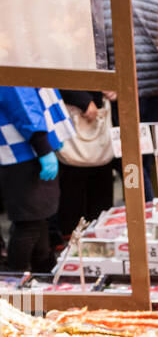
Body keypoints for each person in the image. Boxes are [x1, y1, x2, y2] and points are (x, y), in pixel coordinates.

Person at [95, 0, 158, 199]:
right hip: (154, 87)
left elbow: (96, 40)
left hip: (122, 89)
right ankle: (144, 215)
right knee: (143, 158)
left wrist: (104, 79)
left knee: (127, 161)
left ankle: (140, 218)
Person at [0, 87, 72, 273]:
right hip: (22, 151)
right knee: (29, 222)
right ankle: (13, 280)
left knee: (39, 218)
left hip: (27, 148)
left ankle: (43, 269)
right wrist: (43, 146)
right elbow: (20, 103)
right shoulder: (10, 61)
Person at [55, 90, 114, 240]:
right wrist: (84, 100)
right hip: (76, 111)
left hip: (100, 111)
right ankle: (73, 244)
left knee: (100, 196)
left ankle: (99, 236)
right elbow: (58, 75)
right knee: (74, 195)